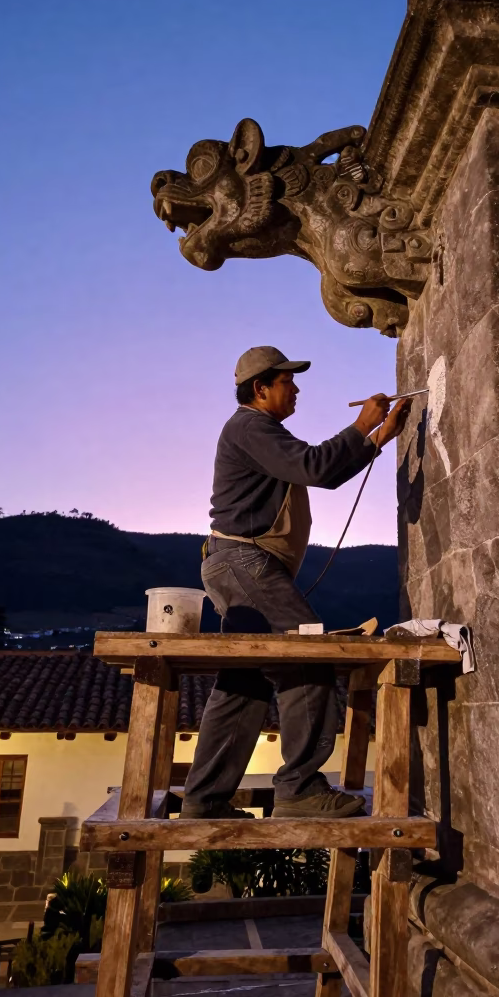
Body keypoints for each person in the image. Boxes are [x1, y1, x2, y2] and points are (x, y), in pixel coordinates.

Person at [180, 346, 411, 821]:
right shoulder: (250, 426)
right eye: (287, 381)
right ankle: (300, 787)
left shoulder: (257, 431)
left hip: (235, 565)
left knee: (244, 682)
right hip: (247, 562)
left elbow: (318, 467)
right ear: (260, 389)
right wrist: (363, 425)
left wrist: (380, 436)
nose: (297, 388)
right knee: (311, 658)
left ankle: (204, 800)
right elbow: (315, 468)